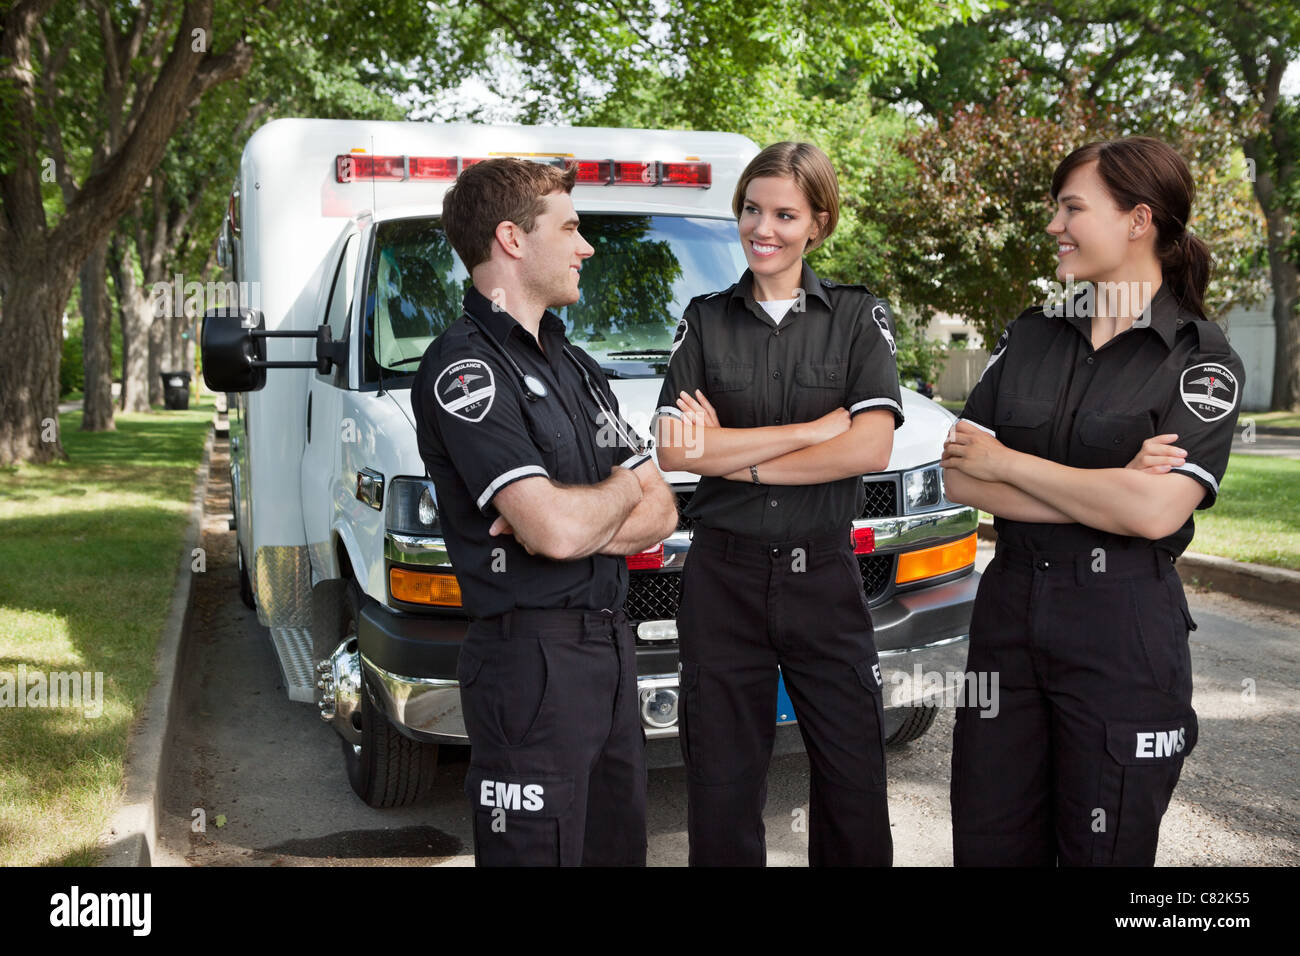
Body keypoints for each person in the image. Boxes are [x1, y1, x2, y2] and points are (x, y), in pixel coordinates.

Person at [940, 136, 1245, 866]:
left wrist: (1012, 466)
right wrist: (1109, 490)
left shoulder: (1201, 361)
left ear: (1138, 220)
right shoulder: (1031, 335)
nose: (1054, 226)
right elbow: (959, 478)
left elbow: (1153, 515)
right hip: (1007, 621)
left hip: (1123, 635)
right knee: (987, 838)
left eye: (1073, 208)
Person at [411, 158, 679, 866]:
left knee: (616, 851)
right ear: (512, 238)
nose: (585, 247)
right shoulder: (464, 369)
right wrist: (615, 491)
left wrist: (584, 511)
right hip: (528, 662)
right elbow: (556, 530)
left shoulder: (578, 368)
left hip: (610, 649)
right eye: (571, 228)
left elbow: (664, 509)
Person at [654, 141, 902, 866]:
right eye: (752, 210)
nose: (763, 228)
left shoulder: (858, 318)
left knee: (853, 773)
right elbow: (676, 451)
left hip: (822, 575)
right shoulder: (702, 320)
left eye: (784, 214)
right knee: (723, 784)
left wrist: (737, 458)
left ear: (817, 224)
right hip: (721, 581)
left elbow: (868, 449)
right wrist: (804, 433)